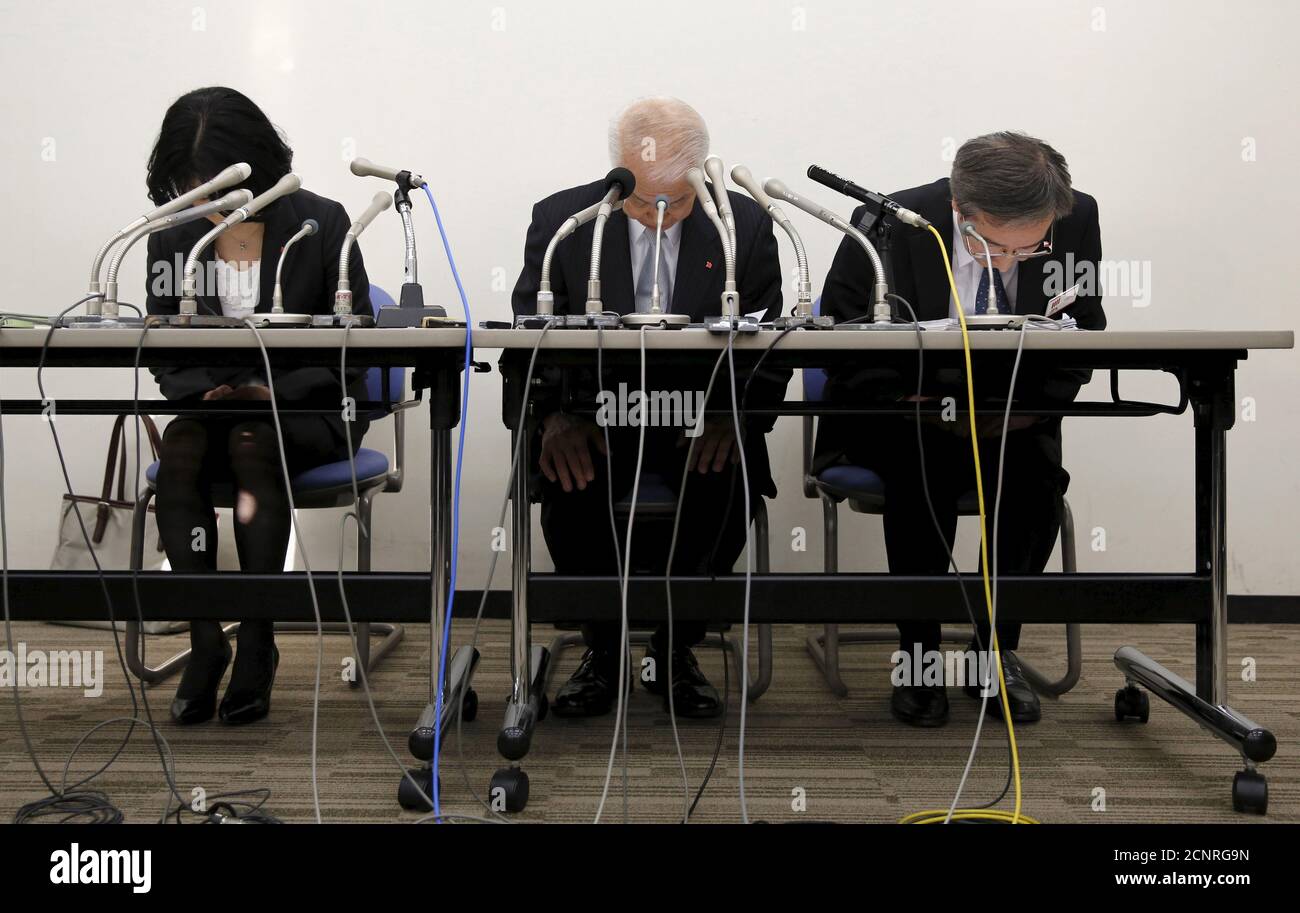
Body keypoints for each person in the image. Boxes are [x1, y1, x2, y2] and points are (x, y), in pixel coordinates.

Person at [510, 96, 789, 719]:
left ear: (700, 176)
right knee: (569, 479)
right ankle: (603, 650)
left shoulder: (740, 223)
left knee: (726, 486)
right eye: (642, 201)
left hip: (700, 418)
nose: (660, 217)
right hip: (594, 417)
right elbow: (528, 341)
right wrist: (554, 419)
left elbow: (771, 345)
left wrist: (733, 419)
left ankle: (673, 648)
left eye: (677, 202)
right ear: (617, 172)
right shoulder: (565, 220)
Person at [816, 131, 1105, 727]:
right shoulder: (887, 222)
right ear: (959, 209)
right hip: (905, 417)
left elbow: (1084, 331)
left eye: (1029, 250)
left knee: (1035, 484)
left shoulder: (1077, 220)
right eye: (996, 246)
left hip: (1015, 420)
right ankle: (919, 653)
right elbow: (840, 340)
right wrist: (915, 399)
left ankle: (994, 652)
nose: (1010, 261)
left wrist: (1030, 409)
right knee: (922, 472)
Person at [144, 86, 373, 725]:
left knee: (252, 441)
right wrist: (212, 392)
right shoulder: (172, 240)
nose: (207, 203)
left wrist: (272, 392)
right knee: (182, 448)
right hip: (210, 411)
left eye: (216, 186)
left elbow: (355, 346)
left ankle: (258, 637)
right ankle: (205, 638)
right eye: (192, 187)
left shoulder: (322, 223)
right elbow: (164, 350)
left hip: (305, 412)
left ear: (257, 166)